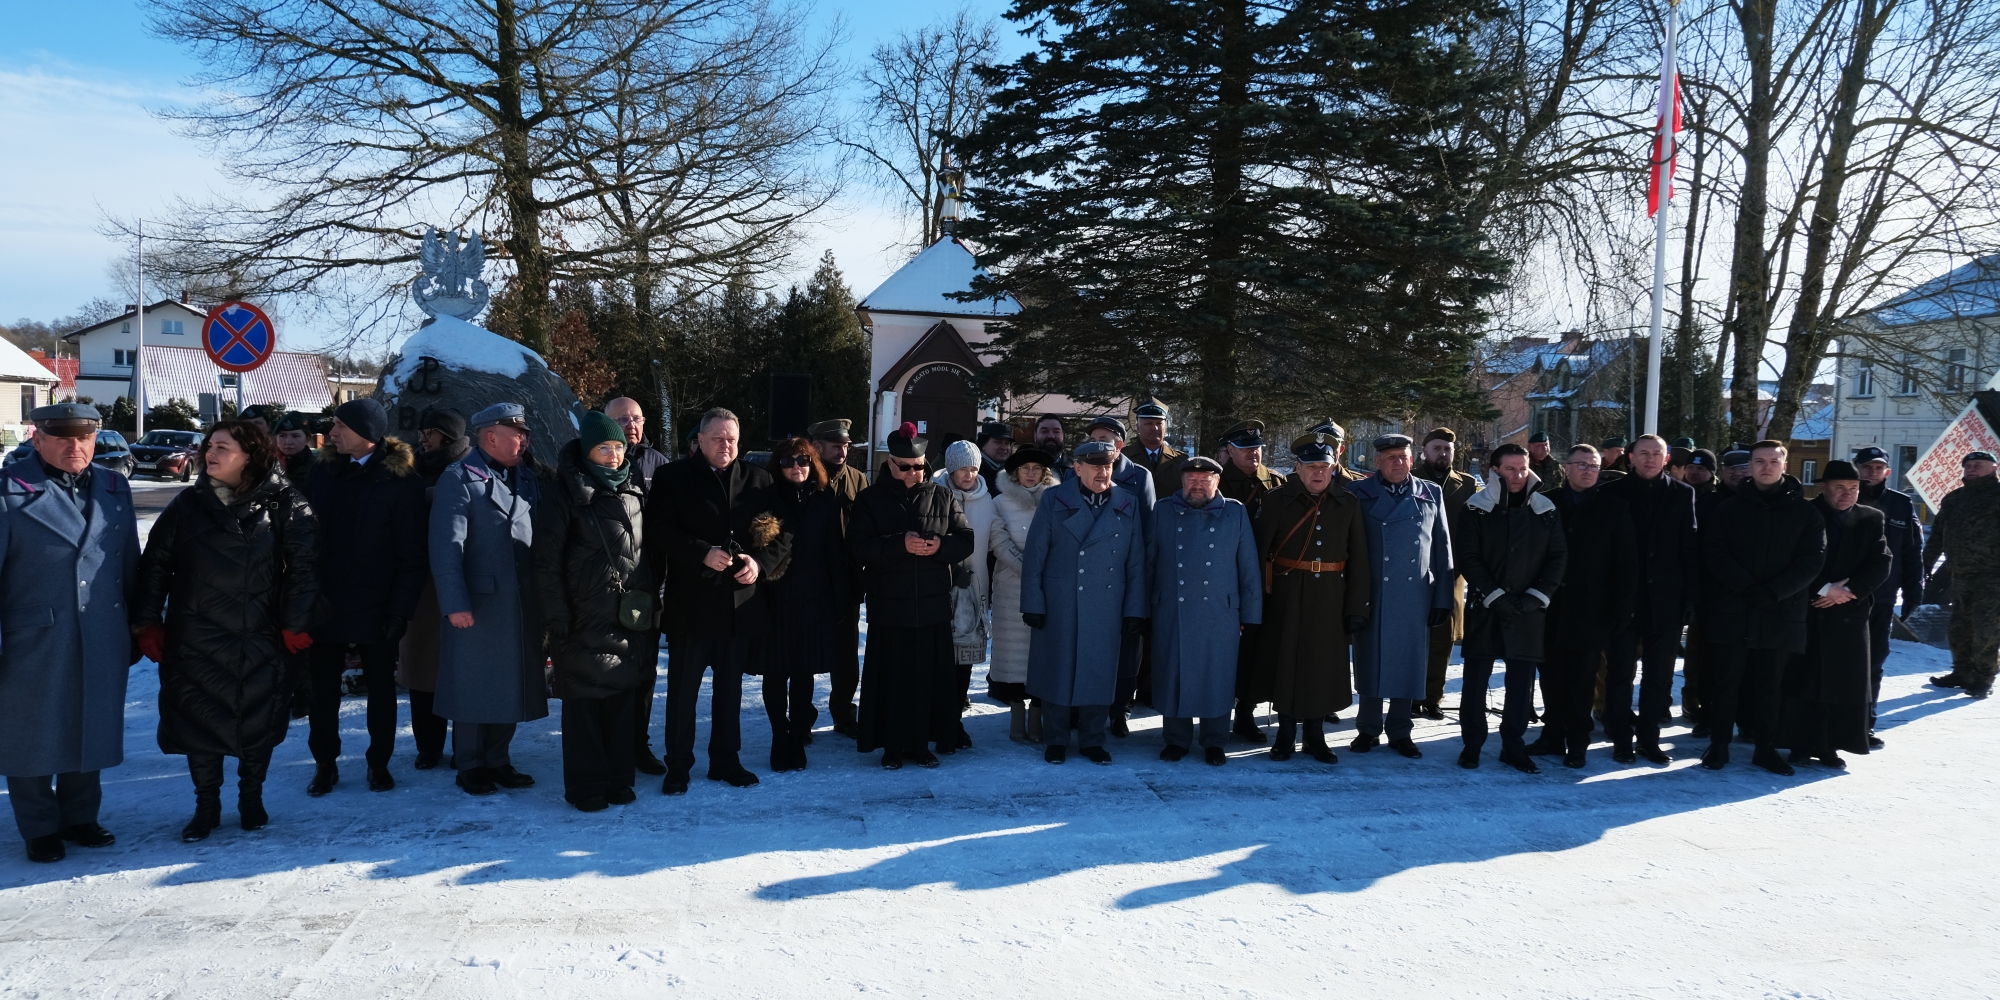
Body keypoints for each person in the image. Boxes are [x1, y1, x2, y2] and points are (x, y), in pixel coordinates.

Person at [135, 420, 317, 841]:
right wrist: (147, 623)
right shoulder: (187, 505)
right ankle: (206, 805)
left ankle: (251, 797)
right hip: (194, 635)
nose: (209, 454)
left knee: (257, 718)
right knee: (199, 721)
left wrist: (295, 623)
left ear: (250, 456)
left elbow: (306, 569)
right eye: (209, 446)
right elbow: (155, 565)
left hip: (261, 634)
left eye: (222, 447)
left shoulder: (286, 503)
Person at [0, 403, 139, 864]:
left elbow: (128, 563)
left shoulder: (115, 486)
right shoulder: (10, 490)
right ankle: (39, 827)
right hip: (33, 635)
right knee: (31, 734)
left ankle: (81, 816)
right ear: (36, 438)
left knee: (91, 722)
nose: (74, 445)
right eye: (61, 436)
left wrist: (140, 624)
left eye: (84, 436)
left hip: (101, 628)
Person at [645, 407, 787, 792]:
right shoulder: (671, 476)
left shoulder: (759, 479)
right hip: (691, 606)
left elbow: (784, 534)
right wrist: (699, 551)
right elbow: (657, 530)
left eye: (732, 439)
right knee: (682, 693)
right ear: (700, 441)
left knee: (730, 692)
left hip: (738, 607)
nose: (726, 445)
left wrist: (759, 563)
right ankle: (678, 765)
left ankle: (726, 760)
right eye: (718, 439)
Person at [298, 398, 425, 796]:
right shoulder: (321, 473)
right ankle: (324, 763)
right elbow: (302, 539)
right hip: (326, 601)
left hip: (378, 603)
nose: (331, 433)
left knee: (381, 691)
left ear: (366, 434)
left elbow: (412, 553)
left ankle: (378, 764)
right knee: (322, 691)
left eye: (340, 426)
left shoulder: (401, 482)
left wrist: (400, 609)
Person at [531, 412, 654, 811]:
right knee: (584, 701)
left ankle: (618, 779)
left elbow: (642, 552)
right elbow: (546, 563)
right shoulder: (564, 492)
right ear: (588, 450)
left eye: (619, 447)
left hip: (626, 613)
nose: (614, 455)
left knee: (620, 695)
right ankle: (586, 786)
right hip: (581, 613)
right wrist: (558, 615)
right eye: (605, 448)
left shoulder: (633, 488)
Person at [431, 403, 547, 796]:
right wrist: (454, 603)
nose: (524, 440)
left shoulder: (525, 477)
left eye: (524, 433)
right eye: (517, 433)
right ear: (490, 436)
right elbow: (447, 548)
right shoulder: (459, 478)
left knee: (510, 683)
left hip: (518, 601)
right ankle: (470, 763)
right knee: (473, 684)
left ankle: (498, 759)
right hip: (478, 603)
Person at [849, 423, 975, 768]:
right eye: (904, 467)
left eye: (918, 467)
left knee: (925, 681)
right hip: (889, 607)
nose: (912, 473)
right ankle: (891, 747)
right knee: (892, 681)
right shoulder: (869, 499)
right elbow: (858, 547)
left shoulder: (943, 496)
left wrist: (940, 546)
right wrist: (898, 544)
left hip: (932, 607)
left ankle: (921, 745)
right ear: (889, 463)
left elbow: (966, 538)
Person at [1701, 440, 1825, 775]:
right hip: (1733, 608)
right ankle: (1719, 744)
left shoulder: (1806, 512)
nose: (1766, 467)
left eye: (1773, 461)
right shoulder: (1729, 509)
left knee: (1771, 685)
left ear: (1785, 465)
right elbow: (1714, 552)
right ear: (1750, 466)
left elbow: (1812, 562)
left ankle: (1765, 748)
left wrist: (1772, 592)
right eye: (1759, 461)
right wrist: (1745, 587)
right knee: (1726, 681)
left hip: (1780, 611)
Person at [1023, 439, 1148, 764]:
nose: (1102, 473)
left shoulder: (1127, 502)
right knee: (1058, 669)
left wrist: (1135, 608)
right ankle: (1056, 739)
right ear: (1077, 468)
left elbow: (1135, 561)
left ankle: (1093, 739)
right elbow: (1035, 555)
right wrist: (1032, 602)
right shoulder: (1054, 499)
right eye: (1095, 467)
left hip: (1106, 603)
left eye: (1107, 466)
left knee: (1099, 670)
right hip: (1061, 601)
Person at [1254, 438, 1370, 763]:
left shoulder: (1348, 504)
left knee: (1321, 666)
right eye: (1311, 467)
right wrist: (1256, 602)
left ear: (1333, 469)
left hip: (1331, 597)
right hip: (1286, 596)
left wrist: (1357, 607)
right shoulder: (1277, 500)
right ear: (1298, 469)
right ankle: (1286, 734)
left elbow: (1360, 559)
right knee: (1286, 663)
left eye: (1324, 466)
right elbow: (1259, 554)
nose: (1318, 473)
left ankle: (1316, 736)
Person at [1455, 443, 1568, 773]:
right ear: (1495, 470)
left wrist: (1536, 596)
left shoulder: (1545, 508)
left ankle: (1513, 746)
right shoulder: (1475, 507)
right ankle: (1472, 745)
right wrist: (1495, 596)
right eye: (1510, 469)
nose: (1518, 475)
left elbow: (1558, 557)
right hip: (1486, 606)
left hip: (1529, 609)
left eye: (1522, 468)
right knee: (1475, 682)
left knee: (1521, 684)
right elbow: (1468, 557)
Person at [1347, 434, 1454, 759]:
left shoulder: (1431, 492)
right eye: (1390, 457)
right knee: (1370, 660)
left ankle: (1400, 730)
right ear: (1377, 461)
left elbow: (1442, 549)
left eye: (1403, 456)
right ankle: (1367, 729)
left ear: (1413, 459)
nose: (1397, 462)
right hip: (1373, 592)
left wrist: (1442, 599)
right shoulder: (1357, 494)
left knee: (1408, 663)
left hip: (1414, 594)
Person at [1148, 456, 1261, 765]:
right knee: (1174, 674)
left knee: (1218, 677)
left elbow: (1248, 568)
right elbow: (1150, 562)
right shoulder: (1163, 510)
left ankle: (1214, 741)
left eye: (1204, 479)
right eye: (1191, 479)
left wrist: (1250, 615)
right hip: (1172, 609)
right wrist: (1144, 608)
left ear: (1216, 481)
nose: (1197, 485)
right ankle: (1176, 739)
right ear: (1182, 482)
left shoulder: (1235, 512)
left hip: (1220, 612)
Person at [1597, 434, 1698, 764]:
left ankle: (1649, 739)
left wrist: (1688, 599)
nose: (1650, 459)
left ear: (1666, 458)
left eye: (1657, 453)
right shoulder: (1611, 492)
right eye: (1644, 453)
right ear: (1631, 457)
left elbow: (1688, 550)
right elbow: (1603, 551)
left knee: (1659, 677)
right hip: (1622, 599)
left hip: (1665, 601)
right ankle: (1621, 739)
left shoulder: (1683, 494)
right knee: (1619, 674)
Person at [1781, 461, 1889, 768]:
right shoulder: (1803, 513)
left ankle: (1831, 745)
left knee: (1843, 683)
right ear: (1824, 487)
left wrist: (1849, 590)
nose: (1847, 495)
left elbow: (1881, 562)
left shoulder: (1870, 518)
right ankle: (1800, 744)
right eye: (1839, 488)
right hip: (1809, 609)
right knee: (1803, 681)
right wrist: (1823, 589)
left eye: (1853, 488)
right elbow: (1789, 560)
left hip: (1849, 613)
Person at [1536, 445, 1638, 768]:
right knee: (1550, 678)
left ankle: (1577, 742)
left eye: (1593, 465)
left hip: (1592, 611)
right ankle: (1551, 734)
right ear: (1567, 468)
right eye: (1581, 464)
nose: (1588, 471)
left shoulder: (1614, 508)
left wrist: (1620, 611)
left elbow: (1626, 565)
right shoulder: (1546, 502)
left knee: (1582, 680)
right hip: (1549, 607)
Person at [763, 437, 852, 769]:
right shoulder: (767, 499)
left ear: (813, 463)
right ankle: (778, 735)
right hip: (775, 597)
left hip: (814, 599)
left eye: (802, 460)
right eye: (788, 461)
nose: (796, 467)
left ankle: (798, 734)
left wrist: (840, 601)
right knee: (775, 672)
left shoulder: (825, 502)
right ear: (778, 466)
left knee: (803, 673)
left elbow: (835, 555)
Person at [398, 407, 470, 770]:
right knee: (423, 666)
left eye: (431, 432)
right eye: (423, 431)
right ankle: (428, 745)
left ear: (449, 435)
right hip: (421, 583)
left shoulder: (471, 468)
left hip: (463, 578)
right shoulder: (409, 468)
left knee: (463, 668)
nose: (423, 437)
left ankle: (465, 745)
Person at [603, 396, 670, 775]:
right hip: (603, 587)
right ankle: (607, 744)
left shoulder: (658, 466)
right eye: (623, 419)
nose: (631, 424)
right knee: (608, 669)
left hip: (647, 586)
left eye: (637, 418)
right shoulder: (593, 461)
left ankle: (638, 745)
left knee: (644, 671)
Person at [1081, 415, 1155, 737]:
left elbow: (1149, 532)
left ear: (1120, 445)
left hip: (1126, 571)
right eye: (1093, 437)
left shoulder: (1139, 476)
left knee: (1127, 649)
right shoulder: (1082, 467)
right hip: (1091, 573)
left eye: (1106, 439)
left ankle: (1120, 710)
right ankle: (1084, 707)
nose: (1098, 444)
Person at [1218, 420, 1284, 741]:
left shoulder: (1275, 482)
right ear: (1230, 451)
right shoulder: (1215, 483)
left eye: (1257, 447)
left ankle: (1246, 712)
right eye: (1245, 448)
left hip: (1266, 581)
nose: (1253, 453)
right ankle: (1213, 712)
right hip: (1223, 580)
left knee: (1255, 650)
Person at [1853, 446, 1922, 744]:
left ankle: (1865, 722)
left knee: (1874, 662)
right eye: (1866, 466)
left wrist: (1913, 590)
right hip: (1841, 596)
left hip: (1881, 597)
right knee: (1837, 661)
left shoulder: (1901, 505)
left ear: (1887, 472)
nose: (1871, 471)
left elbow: (1911, 551)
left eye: (1877, 467)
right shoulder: (1842, 495)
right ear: (1856, 468)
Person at [989, 448, 1059, 742]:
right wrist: (1029, 570)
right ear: (1014, 473)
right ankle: (1016, 713)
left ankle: (1038, 715)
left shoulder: (1055, 501)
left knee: (1042, 653)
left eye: (1036, 468)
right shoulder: (999, 502)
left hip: (1048, 586)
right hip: (1011, 586)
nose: (1030, 473)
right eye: (1024, 468)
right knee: (1013, 657)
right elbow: (999, 542)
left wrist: (1043, 572)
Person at [1920, 450, 2000, 699]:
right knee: (1959, 627)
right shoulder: (1954, 498)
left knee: (1986, 628)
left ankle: (1983, 678)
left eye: (1978, 465)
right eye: (1968, 465)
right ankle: (1962, 672)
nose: (1971, 469)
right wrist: (1925, 564)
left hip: (1993, 576)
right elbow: (1938, 535)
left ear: (1994, 468)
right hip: (1960, 574)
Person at [806, 418, 867, 734]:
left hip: (847, 580)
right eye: (836, 445)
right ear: (817, 447)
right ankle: (802, 718)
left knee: (846, 655)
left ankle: (844, 713)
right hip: (810, 581)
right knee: (803, 653)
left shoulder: (858, 480)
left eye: (845, 445)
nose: (842, 451)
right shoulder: (803, 477)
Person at [1414, 427, 1478, 720]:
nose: (1442, 453)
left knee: (1443, 637)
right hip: (1415, 568)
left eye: (1447, 449)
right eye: (1437, 448)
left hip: (1452, 570)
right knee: (1412, 636)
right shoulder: (1410, 479)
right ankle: (1409, 694)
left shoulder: (1466, 484)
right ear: (1425, 451)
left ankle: (1432, 697)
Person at [934, 440, 995, 748]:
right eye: (962, 468)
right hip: (939, 591)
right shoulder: (934, 494)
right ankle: (936, 721)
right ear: (951, 469)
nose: (968, 474)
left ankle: (954, 722)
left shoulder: (988, 501)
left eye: (973, 467)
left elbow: (999, 540)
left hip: (973, 593)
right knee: (939, 662)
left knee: (964, 664)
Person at [1124, 400, 1185, 487]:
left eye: (1159, 423)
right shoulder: (1123, 458)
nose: (1155, 428)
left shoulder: (1180, 460)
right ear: (1138, 427)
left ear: (1165, 428)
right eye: (1149, 423)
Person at [273, 411, 318, 488]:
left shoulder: (317, 468)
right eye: (282, 436)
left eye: (295, 436)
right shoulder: (267, 464)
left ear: (307, 438)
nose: (288, 442)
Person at [976, 421, 1015, 495]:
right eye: (998, 442)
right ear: (984, 445)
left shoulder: (1012, 470)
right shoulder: (974, 470)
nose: (1004, 447)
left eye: (1007, 443)